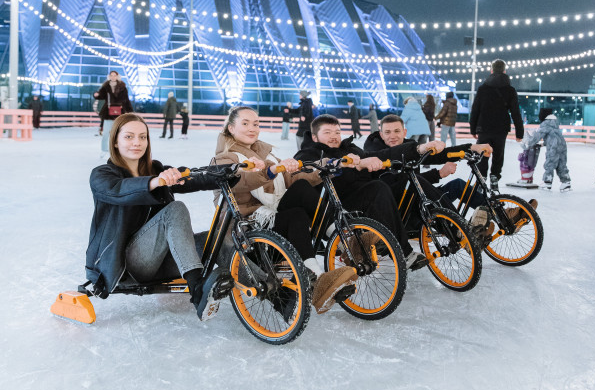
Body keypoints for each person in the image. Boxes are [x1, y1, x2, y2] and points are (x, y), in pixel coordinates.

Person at [86, 113, 240, 321]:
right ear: (115, 141)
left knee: (218, 239)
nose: (137, 142)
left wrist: (232, 170)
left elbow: (194, 178)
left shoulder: (156, 170)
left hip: (163, 261)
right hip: (128, 266)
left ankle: (273, 291)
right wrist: (155, 182)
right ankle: (197, 288)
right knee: (174, 210)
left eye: (142, 137)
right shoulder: (102, 175)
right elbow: (119, 189)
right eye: (129, 137)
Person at [214, 106, 358, 315]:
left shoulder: (265, 153)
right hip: (249, 232)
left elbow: (293, 176)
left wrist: (326, 165)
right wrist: (269, 171)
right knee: (295, 215)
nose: (252, 128)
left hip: (271, 218)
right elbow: (240, 181)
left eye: (256, 124)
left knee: (301, 188)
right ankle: (319, 274)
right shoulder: (224, 159)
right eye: (245, 123)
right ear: (231, 128)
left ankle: (340, 242)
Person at [295, 114, 445, 271]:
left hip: (364, 203)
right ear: (314, 136)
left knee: (408, 182)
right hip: (337, 209)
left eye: (337, 132)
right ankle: (402, 252)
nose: (334, 136)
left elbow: (385, 154)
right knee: (377, 188)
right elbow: (311, 180)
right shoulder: (307, 155)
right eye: (327, 132)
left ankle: (450, 226)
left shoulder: (350, 149)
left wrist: (418, 149)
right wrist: (356, 164)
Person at [363, 114, 500, 238]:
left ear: (404, 132)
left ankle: (500, 215)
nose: (392, 136)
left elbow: (439, 155)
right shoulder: (374, 155)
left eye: (397, 131)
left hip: (419, 200)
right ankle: (462, 232)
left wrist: (471, 147)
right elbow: (402, 183)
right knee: (427, 198)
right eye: (387, 132)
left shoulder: (410, 148)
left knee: (457, 185)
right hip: (400, 213)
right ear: (381, 134)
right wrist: (438, 174)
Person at [470, 59, 524, 191]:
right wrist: (519, 132)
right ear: (504, 71)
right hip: (501, 128)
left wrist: (473, 128)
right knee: (498, 154)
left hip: (484, 127)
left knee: (482, 153)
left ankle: (482, 179)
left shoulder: (483, 89)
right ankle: (494, 176)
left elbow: (475, 109)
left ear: (491, 71)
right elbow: (515, 112)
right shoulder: (510, 90)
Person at [523, 108, 571, 192]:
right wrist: (543, 144)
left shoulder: (545, 124)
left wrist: (529, 142)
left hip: (553, 147)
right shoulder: (555, 123)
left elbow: (537, 136)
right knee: (561, 164)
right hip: (562, 146)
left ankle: (547, 183)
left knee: (550, 163)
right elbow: (554, 136)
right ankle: (566, 183)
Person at [94, 71, 133, 155]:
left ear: (117, 76)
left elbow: (126, 100)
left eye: (114, 75)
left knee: (119, 133)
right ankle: (104, 150)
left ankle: (118, 149)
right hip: (108, 113)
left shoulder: (122, 87)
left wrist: (130, 111)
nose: (113, 77)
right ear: (109, 76)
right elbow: (101, 96)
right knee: (106, 133)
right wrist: (96, 95)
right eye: (111, 75)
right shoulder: (105, 86)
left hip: (120, 113)